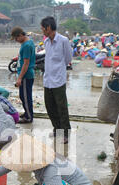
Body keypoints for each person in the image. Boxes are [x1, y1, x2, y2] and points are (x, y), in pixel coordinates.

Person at [41, 16, 73, 144]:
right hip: (47, 80)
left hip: (58, 80)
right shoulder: (46, 42)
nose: (42, 30)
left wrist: (59, 70)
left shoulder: (63, 41)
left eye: (43, 28)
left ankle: (65, 132)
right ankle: (57, 128)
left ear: (48, 28)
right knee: (50, 107)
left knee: (61, 108)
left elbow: (68, 58)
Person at [11, 26, 36, 124]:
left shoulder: (26, 45)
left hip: (26, 75)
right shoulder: (27, 43)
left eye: (16, 38)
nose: (16, 40)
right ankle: (27, 113)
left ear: (21, 35)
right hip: (25, 74)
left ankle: (29, 117)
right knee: (23, 96)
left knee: (25, 97)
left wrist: (20, 78)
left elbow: (26, 63)